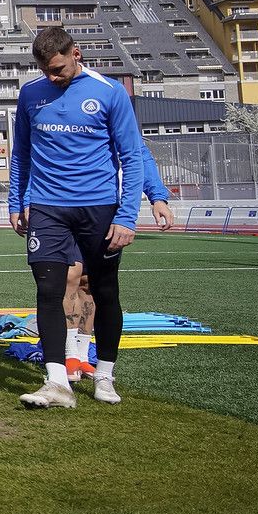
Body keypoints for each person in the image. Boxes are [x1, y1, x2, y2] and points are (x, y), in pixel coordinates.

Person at [6, 26, 143, 409]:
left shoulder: (110, 92)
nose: (52, 77)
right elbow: (22, 155)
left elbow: (132, 158)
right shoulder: (31, 94)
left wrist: (128, 216)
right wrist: (16, 203)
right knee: (48, 292)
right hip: (48, 208)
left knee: (104, 291)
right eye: (45, 70)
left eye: (58, 69)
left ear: (76, 54)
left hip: (99, 209)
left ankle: (105, 375)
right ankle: (56, 383)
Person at [64, 138, 175, 374]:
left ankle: (82, 355)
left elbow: (141, 156)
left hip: (105, 210)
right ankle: (68, 354)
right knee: (69, 274)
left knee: (89, 283)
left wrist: (158, 197)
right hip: (65, 207)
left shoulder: (122, 122)